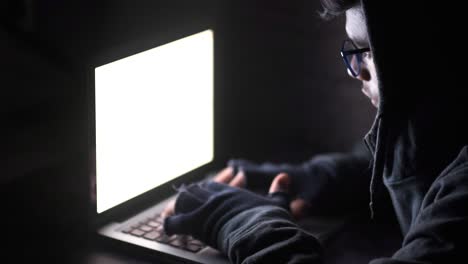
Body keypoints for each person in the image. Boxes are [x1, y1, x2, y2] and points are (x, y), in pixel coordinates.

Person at [162, 0, 468, 263]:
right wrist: (312, 178)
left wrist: (244, 223)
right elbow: (416, 157)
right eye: (353, 49)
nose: (357, 71)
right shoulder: (442, 112)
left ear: (425, 49)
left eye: (370, 51)